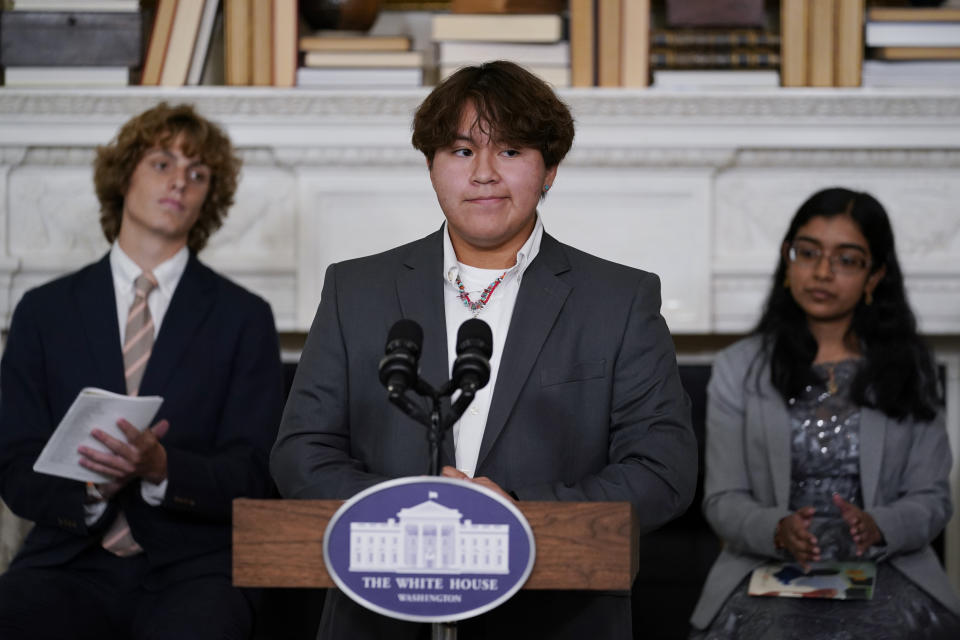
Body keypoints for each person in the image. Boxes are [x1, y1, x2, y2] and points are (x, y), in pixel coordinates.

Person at [271, 60, 698, 639]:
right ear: (431, 166)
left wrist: (511, 516)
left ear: (550, 170)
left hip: (556, 616)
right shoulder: (356, 290)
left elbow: (663, 469)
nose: (485, 174)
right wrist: (408, 515)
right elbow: (302, 451)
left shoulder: (620, 300)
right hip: (381, 609)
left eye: (512, 151)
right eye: (462, 151)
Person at [0, 103, 284, 640]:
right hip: (67, 560)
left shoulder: (244, 317)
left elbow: (256, 469)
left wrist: (162, 468)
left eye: (198, 173)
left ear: (208, 199)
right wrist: (89, 485)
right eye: (162, 163)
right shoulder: (43, 311)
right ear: (123, 174)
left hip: (195, 568)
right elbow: (13, 462)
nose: (180, 181)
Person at [690, 188, 960, 639]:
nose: (821, 272)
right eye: (808, 252)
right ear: (786, 258)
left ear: (875, 276)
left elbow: (933, 500)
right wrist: (777, 529)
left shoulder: (912, 370)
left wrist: (880, 526)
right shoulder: (740, 368)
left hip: (888, 568)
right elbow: (722, 501)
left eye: (847, 260)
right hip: (767, 567)